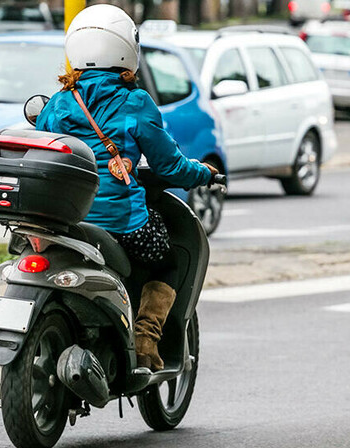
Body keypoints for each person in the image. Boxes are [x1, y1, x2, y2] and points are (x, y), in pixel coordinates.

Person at [36, 4, 217, 372]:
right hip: (121, 223)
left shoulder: (57, 104)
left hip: (66, 221)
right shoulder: (135, 102)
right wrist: (203, 174)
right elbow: (170, 165)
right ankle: (146, 339)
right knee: (167, 262)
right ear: (125, 49)